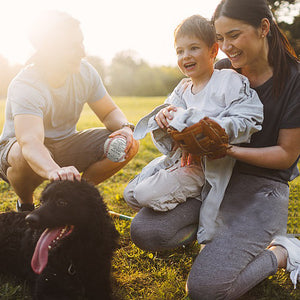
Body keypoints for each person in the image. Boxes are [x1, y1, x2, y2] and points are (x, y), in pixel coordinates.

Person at [129, 0, 300, 298]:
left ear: (263, 28)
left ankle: (282, 251)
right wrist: (172, 123)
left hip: (262, 187)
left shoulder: (295, 81)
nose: (226, 47)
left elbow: (285, 155)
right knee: (146, 231)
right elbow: (187, 104)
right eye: (220, 39)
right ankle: (218, 239)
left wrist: (226, 150)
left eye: (233, 35)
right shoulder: (221, 70)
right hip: (213, 180)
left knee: (206, 290)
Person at [124, 15, 263, 242]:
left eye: (193, 48)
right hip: (180, 161)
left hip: (206, 167)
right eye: (180, 51)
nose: (185, 56)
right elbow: (171, 119)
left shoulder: (227, 80)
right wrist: (164, 116)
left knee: (143, 193)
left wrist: (212, 128)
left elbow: (250, 117)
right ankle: (181, 200)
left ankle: (196, 202)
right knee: (130, 194)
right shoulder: (183, 88)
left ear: (213, 51)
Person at [0, 10, 139, 212]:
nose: (82, 52)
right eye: (73, 47)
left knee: (128, 144)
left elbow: (109, 113)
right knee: (22, 155)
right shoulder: (26, 85)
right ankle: (26, 205)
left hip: (64, 145)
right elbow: (30, 142)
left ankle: (76, 197)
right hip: (20, 150)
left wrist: (126, 128)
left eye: (81, 43)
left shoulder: (86, 72)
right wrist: (55, 171)